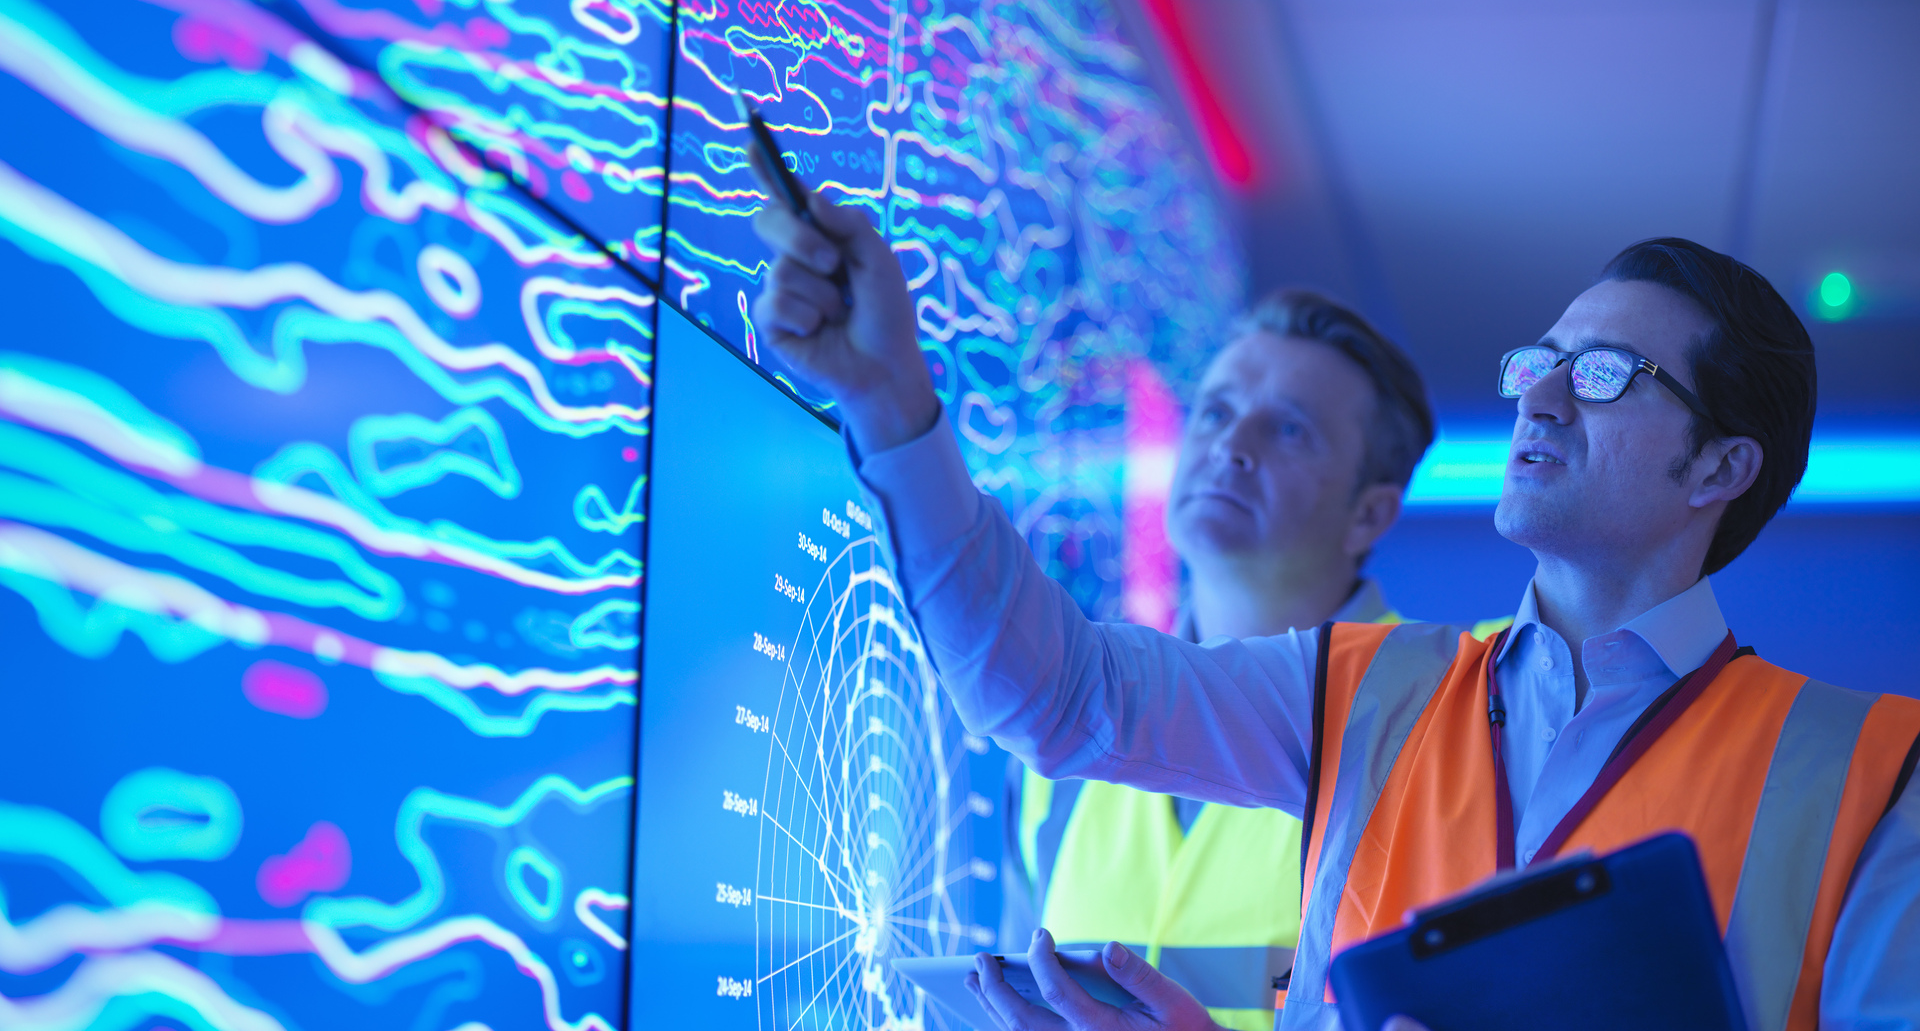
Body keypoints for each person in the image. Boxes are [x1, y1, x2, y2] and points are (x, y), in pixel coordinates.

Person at [752, 196, 1920, 1031]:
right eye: (1543, 361)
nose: (1544, 398)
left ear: (1719, 467)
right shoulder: (1367, 688)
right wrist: (891, 397)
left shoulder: (1875, 771)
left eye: (1609, 373)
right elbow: (1063, 697)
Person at [999, 288, 1498, 1031]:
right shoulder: (1056, 752)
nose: (1232, 445)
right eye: (1216, 411)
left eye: (1290, 431)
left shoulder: (1455, 716)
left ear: (1369, 514)